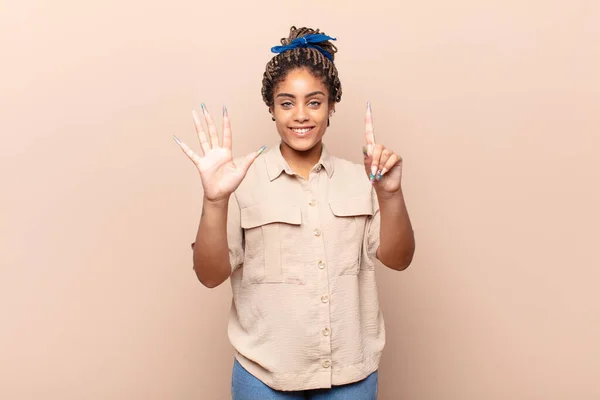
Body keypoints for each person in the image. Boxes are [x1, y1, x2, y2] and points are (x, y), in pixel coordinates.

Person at [174, 26, 415, 400]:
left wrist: (391, 194)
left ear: (332, 105)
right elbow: (210, 276)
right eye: (287, 103)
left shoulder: (362, 180)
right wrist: (215, 201)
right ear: (270, 108)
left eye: (314, 102)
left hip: (351, 375)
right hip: (263, 379)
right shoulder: (238, 180)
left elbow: (399, 260)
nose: (300, 115)